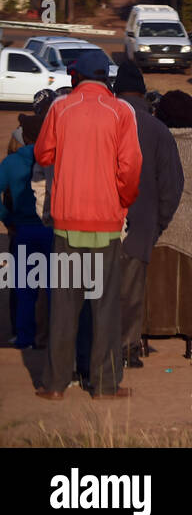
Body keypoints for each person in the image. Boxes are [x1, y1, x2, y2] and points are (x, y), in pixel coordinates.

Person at [33, 52, 142, 400]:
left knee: (63, 307)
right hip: (107, 224)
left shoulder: (60, 108)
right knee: (105, 306)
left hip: (66, 223)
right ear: (105, 78)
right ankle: (104, 384)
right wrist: (122, 203)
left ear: (75, 75)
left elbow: (43, 155)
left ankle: (54, 385)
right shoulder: (122, 111)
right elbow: (131, 167)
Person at [114, 62, 184, 367]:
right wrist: (157, 223)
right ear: (143, 92)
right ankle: (127, 348)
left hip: (94, 221)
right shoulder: (157, 129)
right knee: (131, 291)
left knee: (93, 288)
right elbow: (172, 184)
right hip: (141, 222)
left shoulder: (101, 121)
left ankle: (94, 347)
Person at [146, 91, 192, 359]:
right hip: (190, 220)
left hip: (154, 222)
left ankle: (143, 338)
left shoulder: (151, 142)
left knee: (148, 282)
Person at [0, 103, 53, 350]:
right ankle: (51, 336)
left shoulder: (11, 163)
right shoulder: (55, 160)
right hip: (52, 230)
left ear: (26, 136)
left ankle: (25, 338)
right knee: (54, 287)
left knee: (24, 288)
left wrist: (7, 218)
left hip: (22, 231)